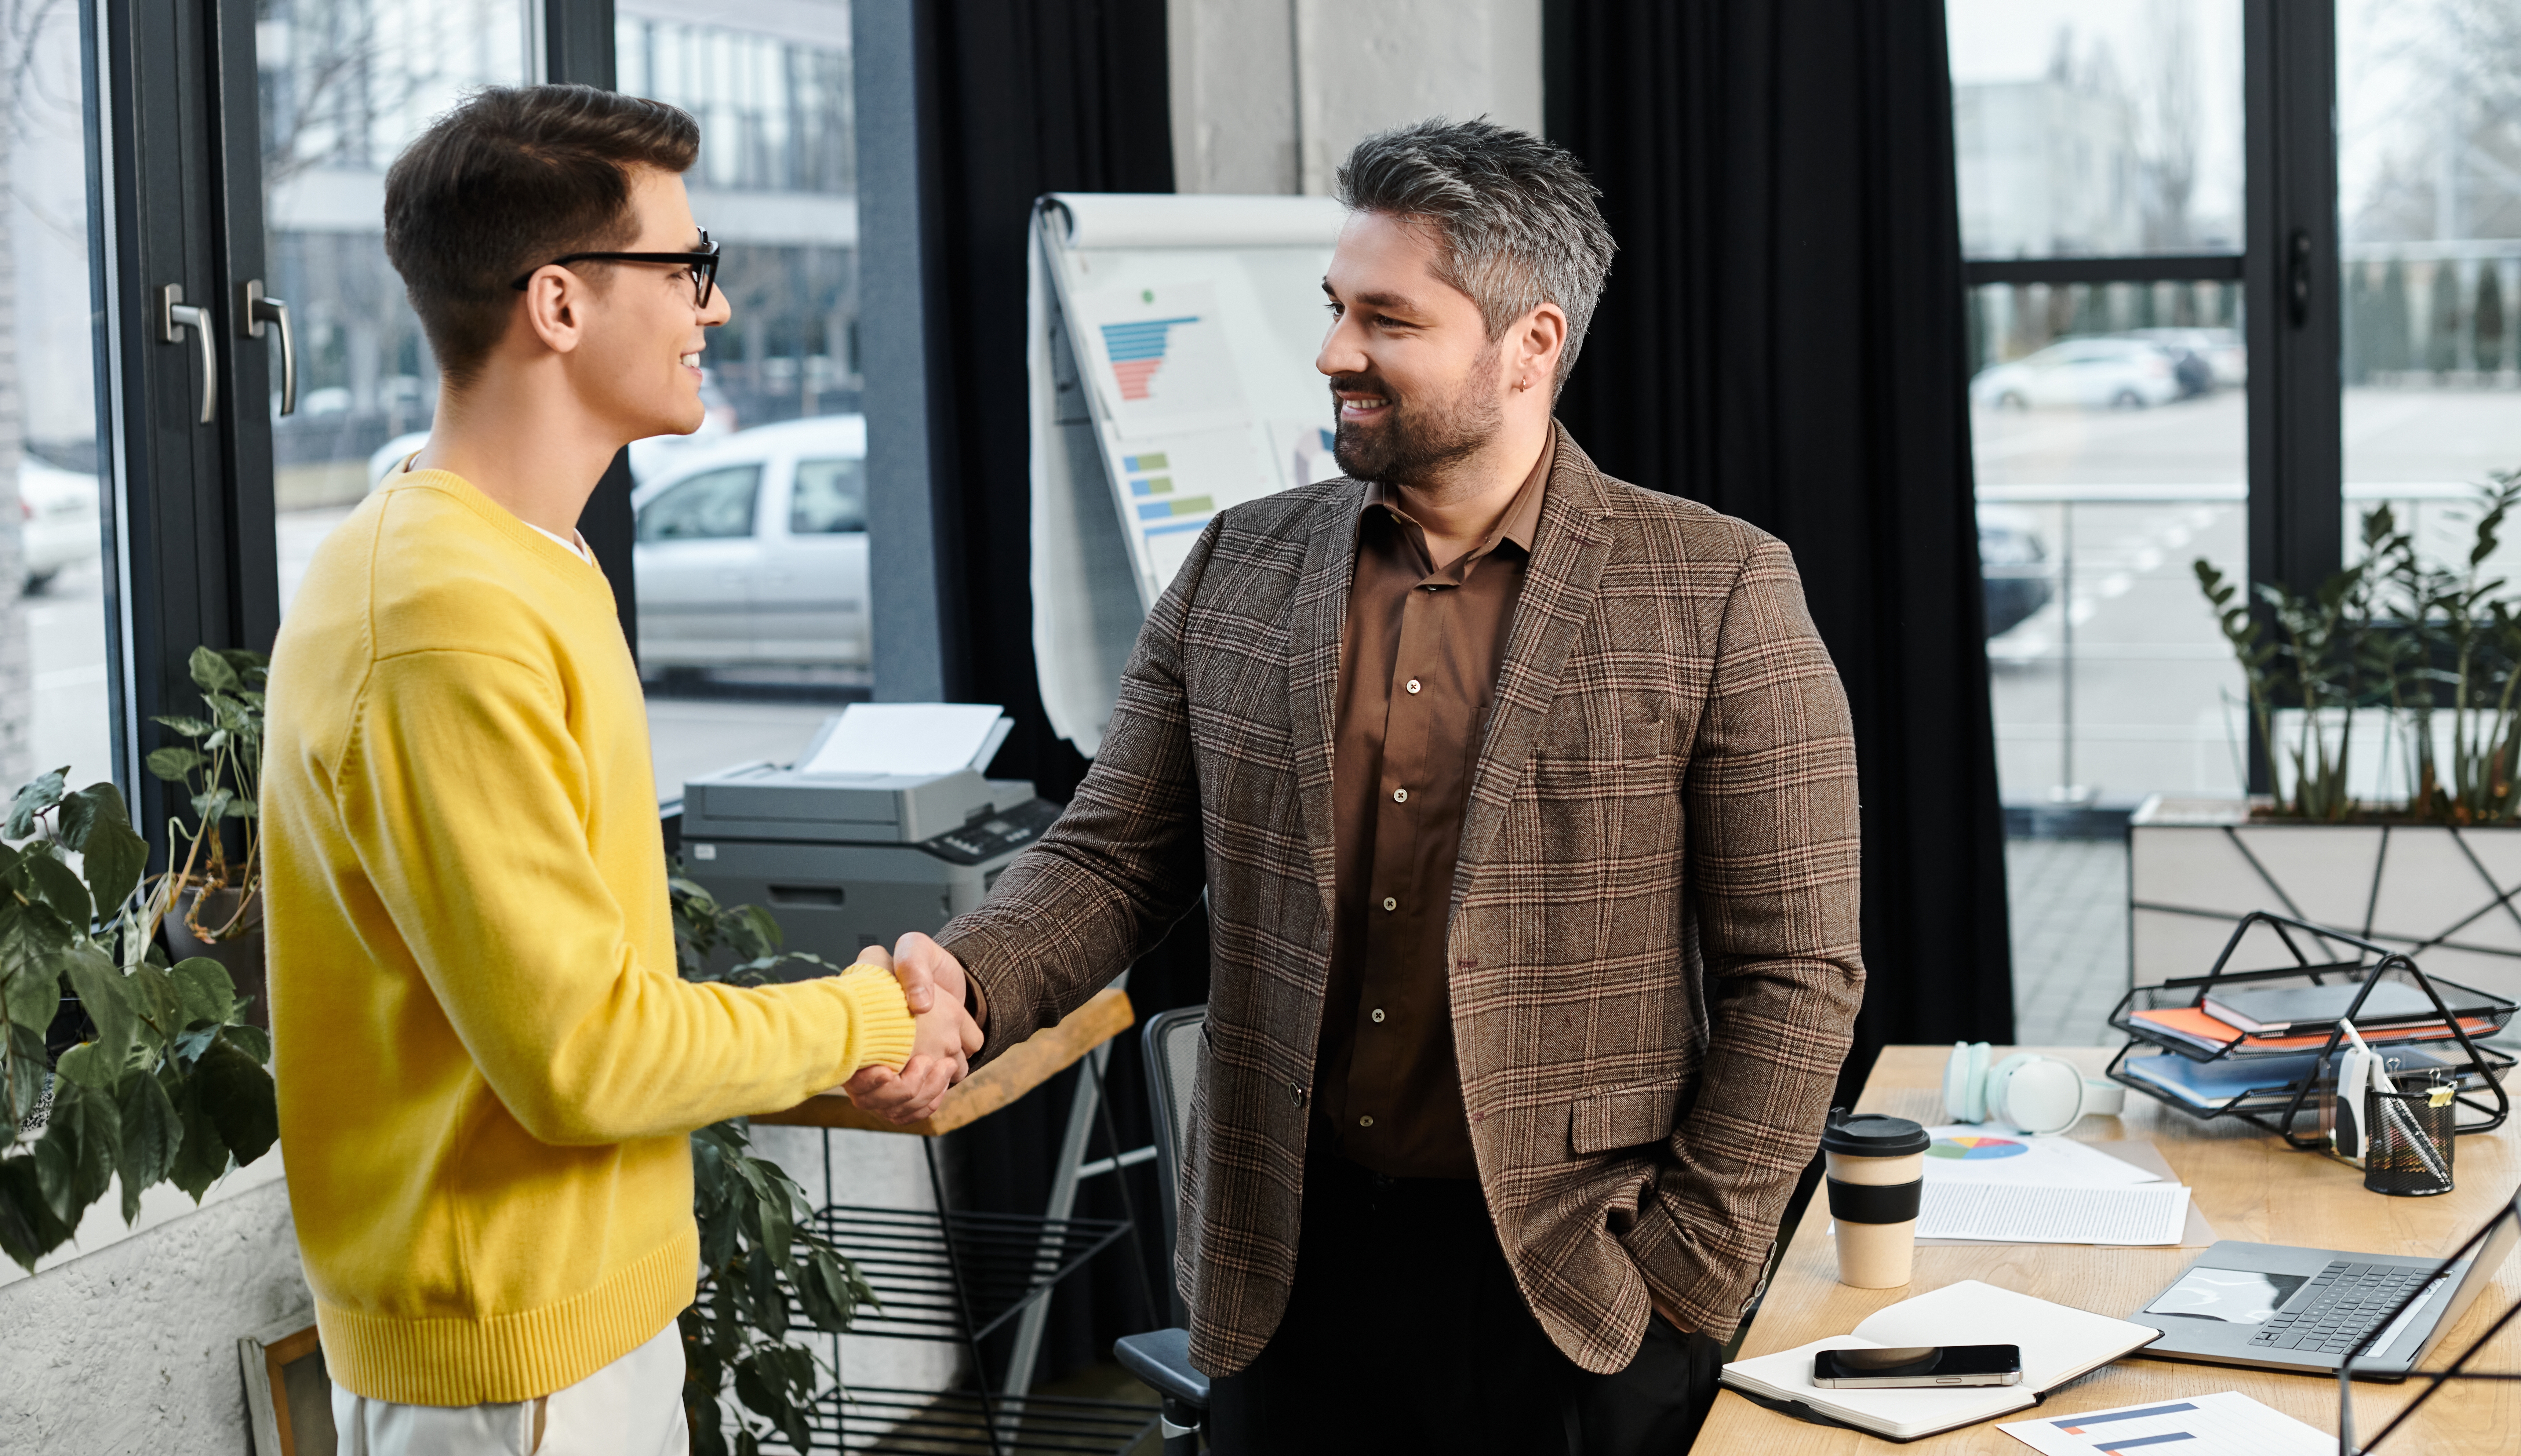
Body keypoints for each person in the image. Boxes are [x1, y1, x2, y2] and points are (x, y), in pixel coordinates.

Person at [866, 118, 1865, 1453]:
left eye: (1387, 318)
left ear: (1531, 344)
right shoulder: (1238, 567)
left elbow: (1797, 972)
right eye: (1336, 308)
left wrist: (1687, 1272)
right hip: (1285, 1272)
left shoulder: (1720, 586)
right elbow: (1114, 855)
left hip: (1578, 1284)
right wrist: (972, 983)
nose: (1335, 350)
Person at [263, 84, 978, 1456]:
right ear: (559, 304)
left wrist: (831, 1050)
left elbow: (580, 1003)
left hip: (575, 1332)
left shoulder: (532, 560)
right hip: (509, 1363)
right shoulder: (437, 614)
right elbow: (586, 1056)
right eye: (686, 266)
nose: (712, 306)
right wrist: (870, 1017)